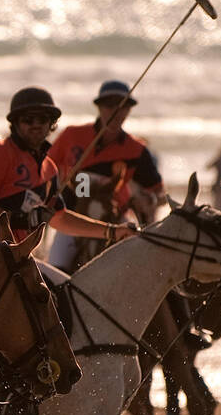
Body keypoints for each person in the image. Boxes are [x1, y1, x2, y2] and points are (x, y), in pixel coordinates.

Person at [40, 81, 163, 274]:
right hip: (74, 219)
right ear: (99, 107)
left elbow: (158, 192)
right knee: (55, 272)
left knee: (141, 272)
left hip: (115, 220)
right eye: (110, 105)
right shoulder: (72, 135)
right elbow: (44, 170)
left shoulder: (137, 150)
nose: (116, 111)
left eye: (123, 106)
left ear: (129, 110)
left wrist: (147, 199)